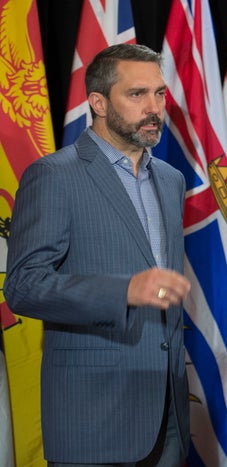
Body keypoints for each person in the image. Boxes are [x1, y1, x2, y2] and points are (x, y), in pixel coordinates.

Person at [5, 44, 191, 466]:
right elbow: (23, 286)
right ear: (98, 102)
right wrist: (123, 290)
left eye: (160, 94)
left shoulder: (170, 179)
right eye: (137, 94)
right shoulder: (53, 176)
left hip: (167, 417)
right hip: (93, 420)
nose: (154, 108)